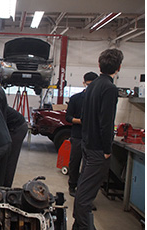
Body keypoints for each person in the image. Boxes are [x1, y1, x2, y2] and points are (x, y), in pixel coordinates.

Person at [72, 48, 124, 230]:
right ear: (118, 68)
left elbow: (85, 117)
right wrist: (107, 150)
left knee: (84, 188)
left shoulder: (92, 86)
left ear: (99, 65)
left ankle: (79, 226)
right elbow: (106, 122)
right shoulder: (110, 89)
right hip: (97, 149)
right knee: (86, 194)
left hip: (87, 143)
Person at [66, 72, 98, 197]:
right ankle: (72, 185)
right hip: (78, 135)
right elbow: (68, 117)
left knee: (88, 166)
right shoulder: (76, 99)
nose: (90, 87)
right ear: (84, 83)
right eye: (88, 84)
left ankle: (84, 189)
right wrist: (80, 121)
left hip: (92, 137)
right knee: (74, 162)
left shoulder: (97, 100)